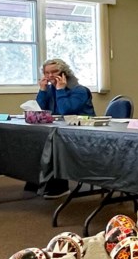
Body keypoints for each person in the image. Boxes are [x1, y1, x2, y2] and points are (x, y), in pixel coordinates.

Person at [33, 58, 94, 198]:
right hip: (60, 129)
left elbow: (66, 111)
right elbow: (39, 110)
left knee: (54, 145)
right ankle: (39, 182)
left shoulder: (80, 90)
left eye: (54, 72)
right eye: (46, 73)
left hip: (82, 132)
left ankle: (59, 186)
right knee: (37, 140)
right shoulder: (49, 89)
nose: (49, 76)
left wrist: (60, 90)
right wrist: (42, 91)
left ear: (64, 73)